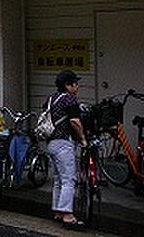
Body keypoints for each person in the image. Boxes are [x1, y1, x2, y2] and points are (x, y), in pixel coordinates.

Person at [46, 69, 87, 230]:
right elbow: (75, 122)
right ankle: (68, 216)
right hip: (64, 143)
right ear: (67, 85)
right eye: (75, 84)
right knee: (69, 179)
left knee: (58, 179)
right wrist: (83, 138)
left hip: (51, 144)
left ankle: (57, 211)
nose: (77, 87)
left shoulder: (51, 98)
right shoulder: (69, 100)